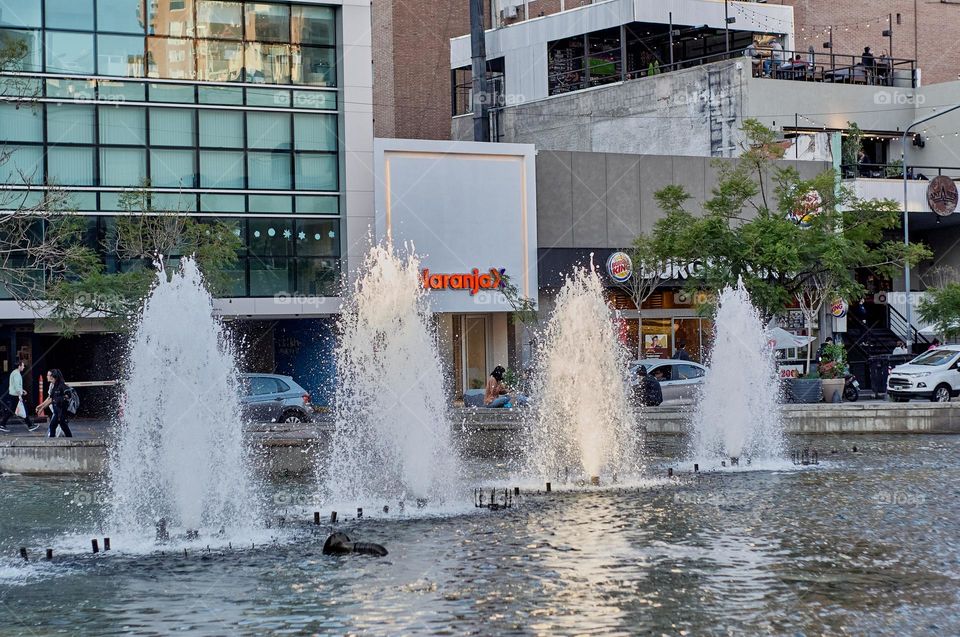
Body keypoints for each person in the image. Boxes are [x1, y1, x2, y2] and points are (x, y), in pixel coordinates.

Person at [0, 360, 39, 433]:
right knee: (22, 410)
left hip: (14, 394)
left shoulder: (14, 373)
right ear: (19, 366)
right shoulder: (17, 374)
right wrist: (20, 395)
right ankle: (30, 425)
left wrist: (22, 390)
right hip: (16, 395)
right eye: (23, 365)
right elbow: (17, 386)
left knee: (14, 410)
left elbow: (15, 385)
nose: (24, 367)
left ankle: (3, 424)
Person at [35, 369, 73, 438]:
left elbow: (68, 395)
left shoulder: (61, 385)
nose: (46, 376)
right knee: (55, 426)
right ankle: (55, 440)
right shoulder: (54, 386)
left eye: (48, 375)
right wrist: (41, 407)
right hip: (56, 411)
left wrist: (62, 398)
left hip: (61, 411)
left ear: (52, 377)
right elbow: (50, 399)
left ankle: (70, 439)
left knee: (60, 425)